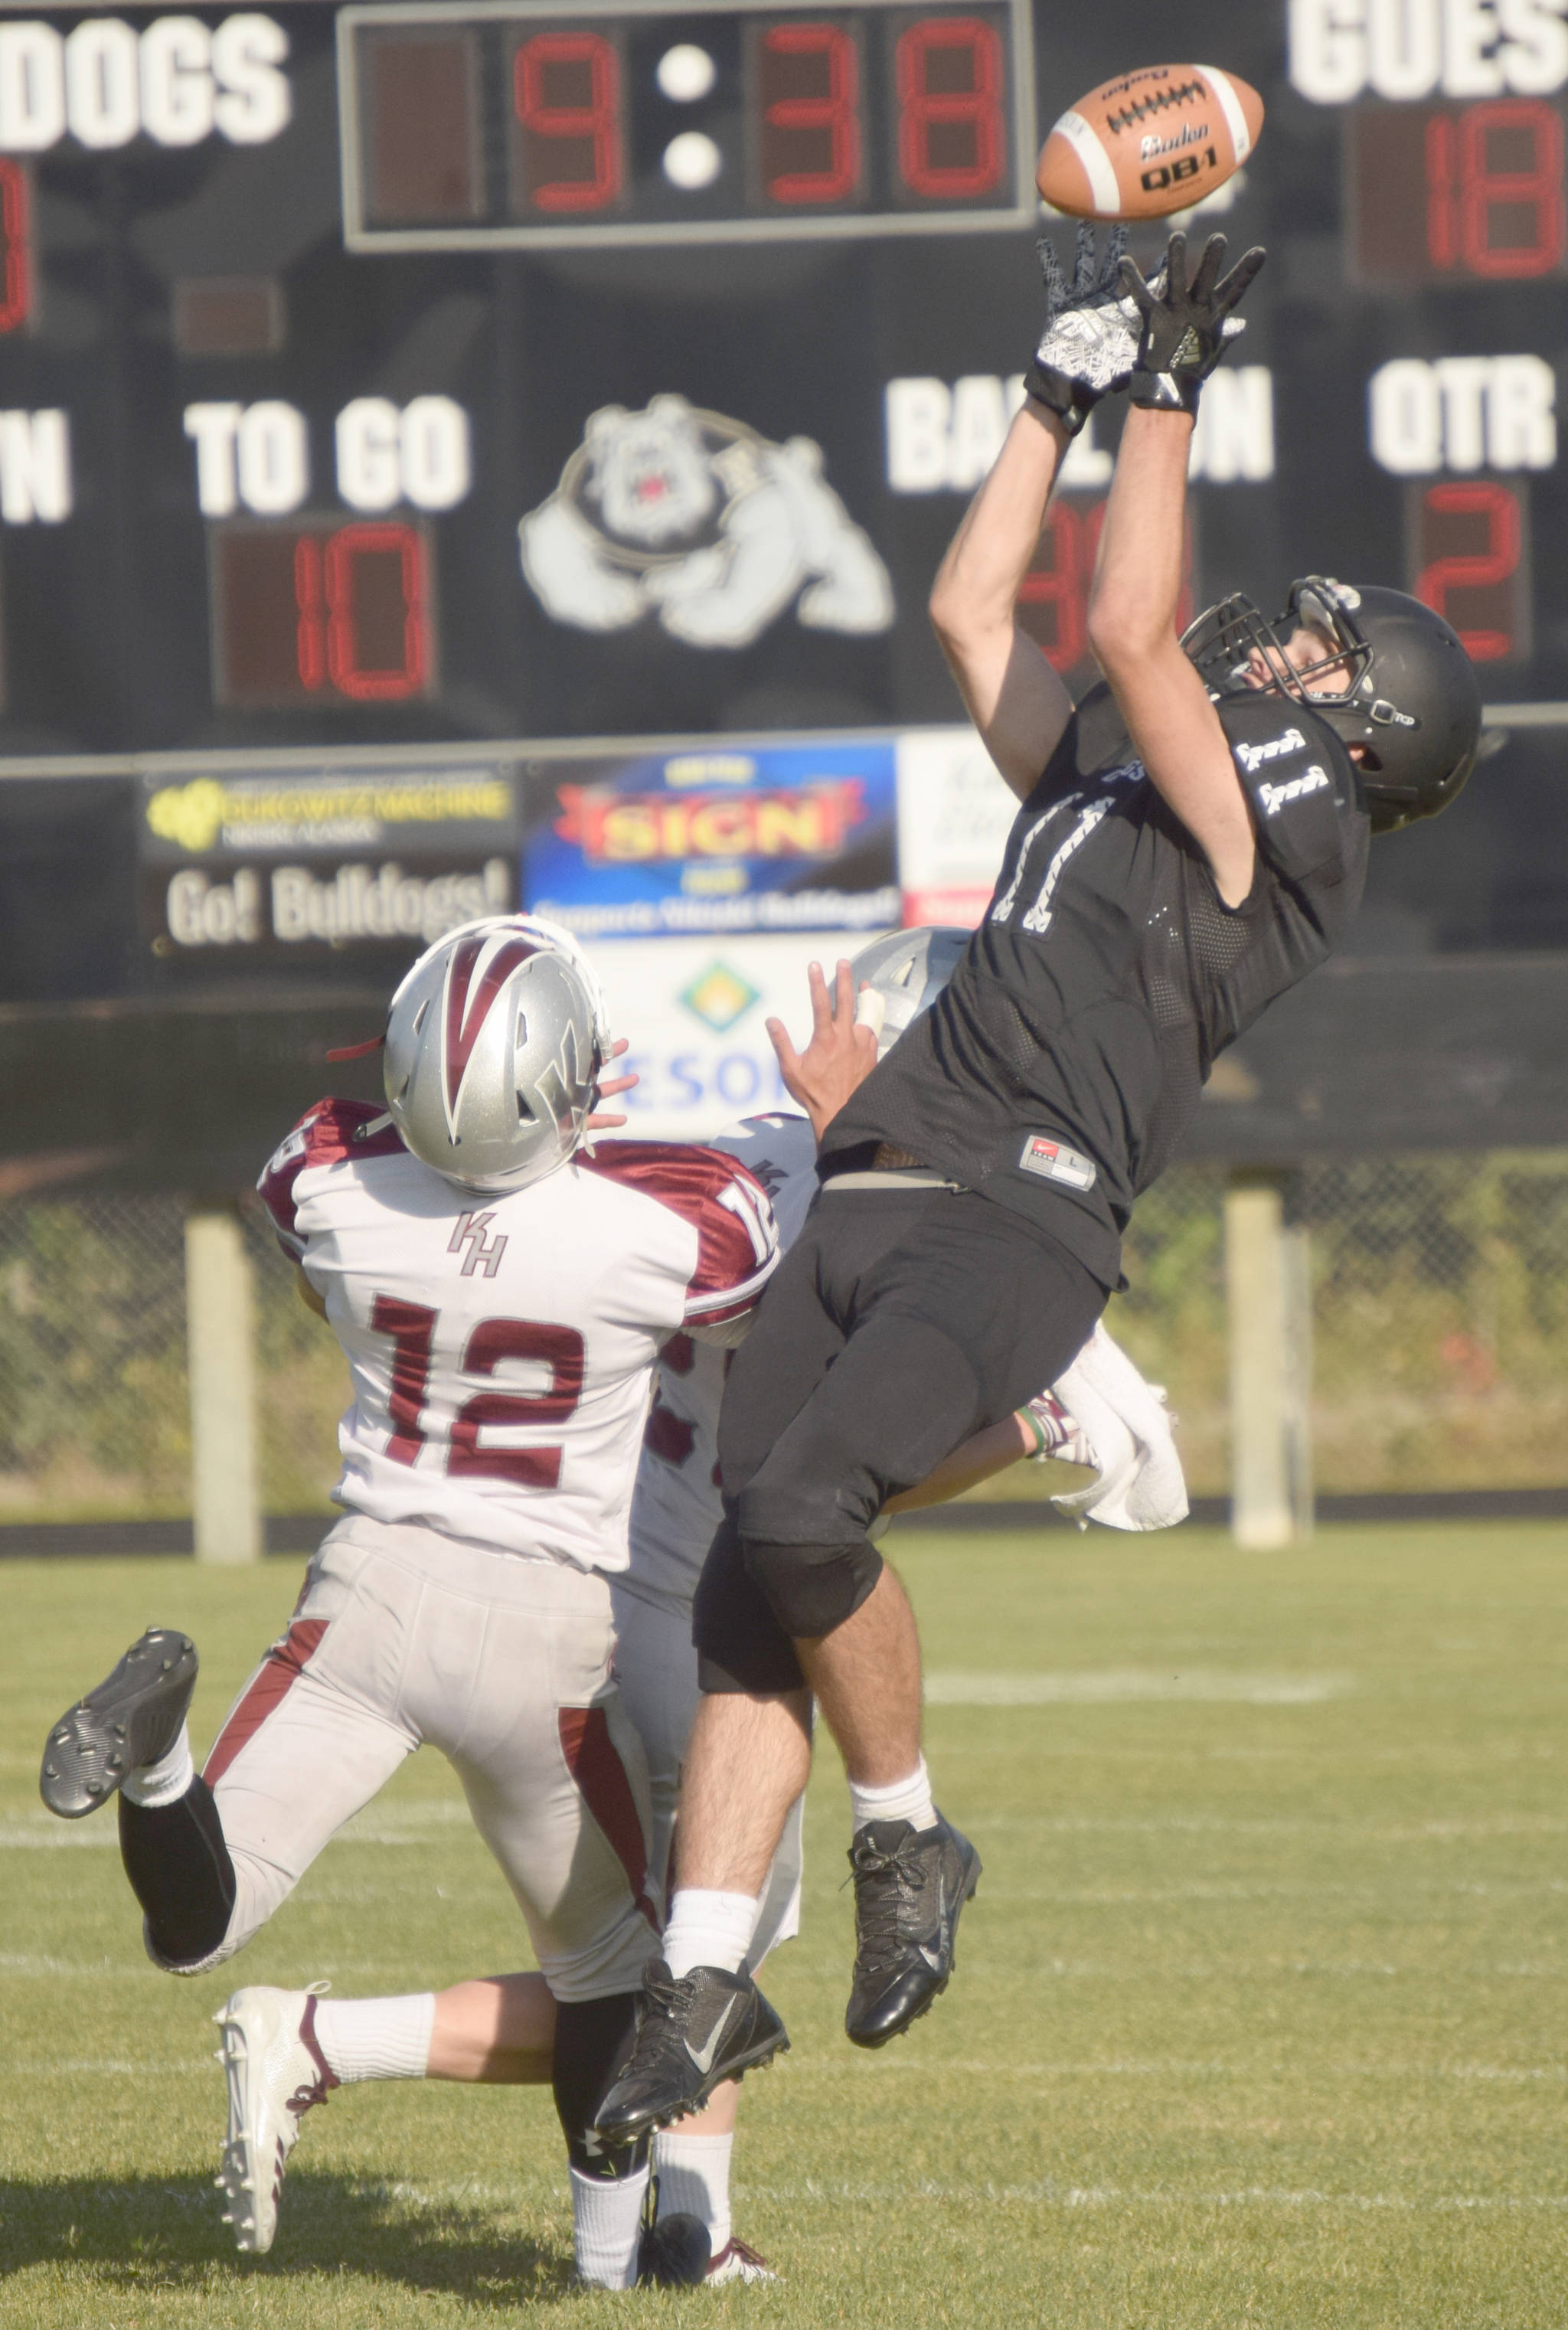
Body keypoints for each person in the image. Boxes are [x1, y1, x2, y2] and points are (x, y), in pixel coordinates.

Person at [593, 227, 1485, 2146]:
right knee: (757, 1560)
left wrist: (1163, 389)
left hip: (1025, 1211)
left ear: (1364, 730)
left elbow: (1129, 630)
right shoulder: (1111, 780)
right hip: (887, 1170)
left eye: (1326, 649)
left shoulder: (1293, 835)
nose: (1289, 638)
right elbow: (967, 608)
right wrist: (1053, 390)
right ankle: (694, 1990)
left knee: (809, 1500)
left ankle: (911, 1840)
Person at [205, 930, 1187, 2281]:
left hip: (595, 1570)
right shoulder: (859, 1212)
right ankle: (323, 2043)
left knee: (687, 1954)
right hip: (675, 1612)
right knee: (696, 1967)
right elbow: (863, 1479)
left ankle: (684, 2231)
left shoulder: (725, 1168)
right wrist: (1030, 1421)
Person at [35, 913, 783, 2289]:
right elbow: (733, 1251)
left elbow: (339, 1162)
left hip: (366, 1593)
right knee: (614, 1978)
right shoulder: (661, 1221)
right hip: (546, 1627)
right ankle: (608, 2275)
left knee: (194, 1924)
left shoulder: (327, 1179)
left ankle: (159, 1766)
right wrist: (583, 1138)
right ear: (561, 1080)